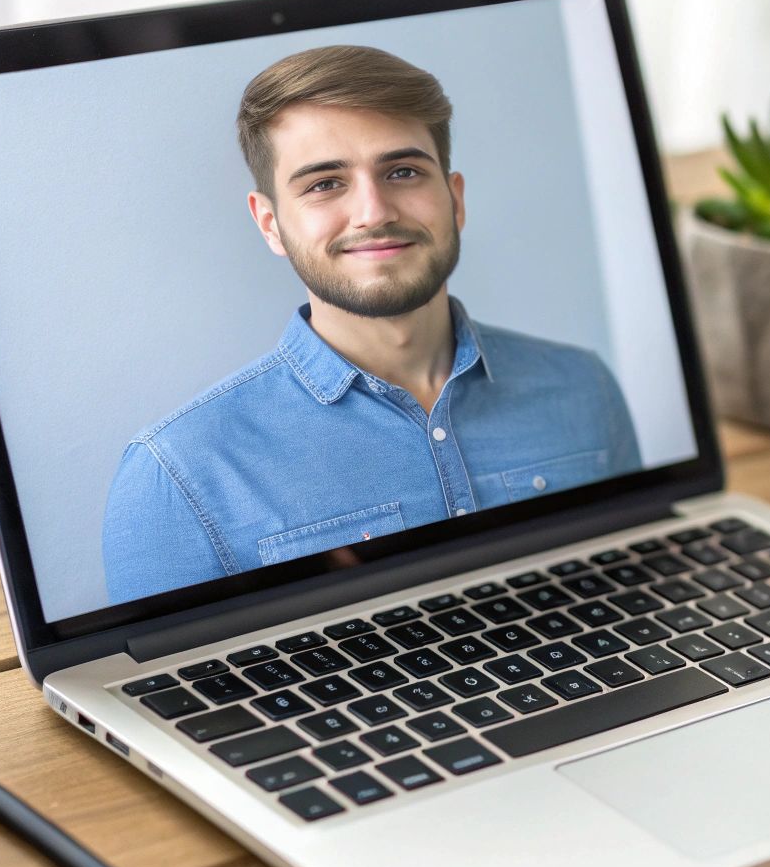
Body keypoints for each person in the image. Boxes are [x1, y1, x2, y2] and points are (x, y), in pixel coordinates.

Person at [101, 45, 641, 603]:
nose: (375, 212)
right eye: (325, 184)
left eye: (403, 171)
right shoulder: (176, 476)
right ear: (271, 224)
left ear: (455, 200)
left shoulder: (585, 388)